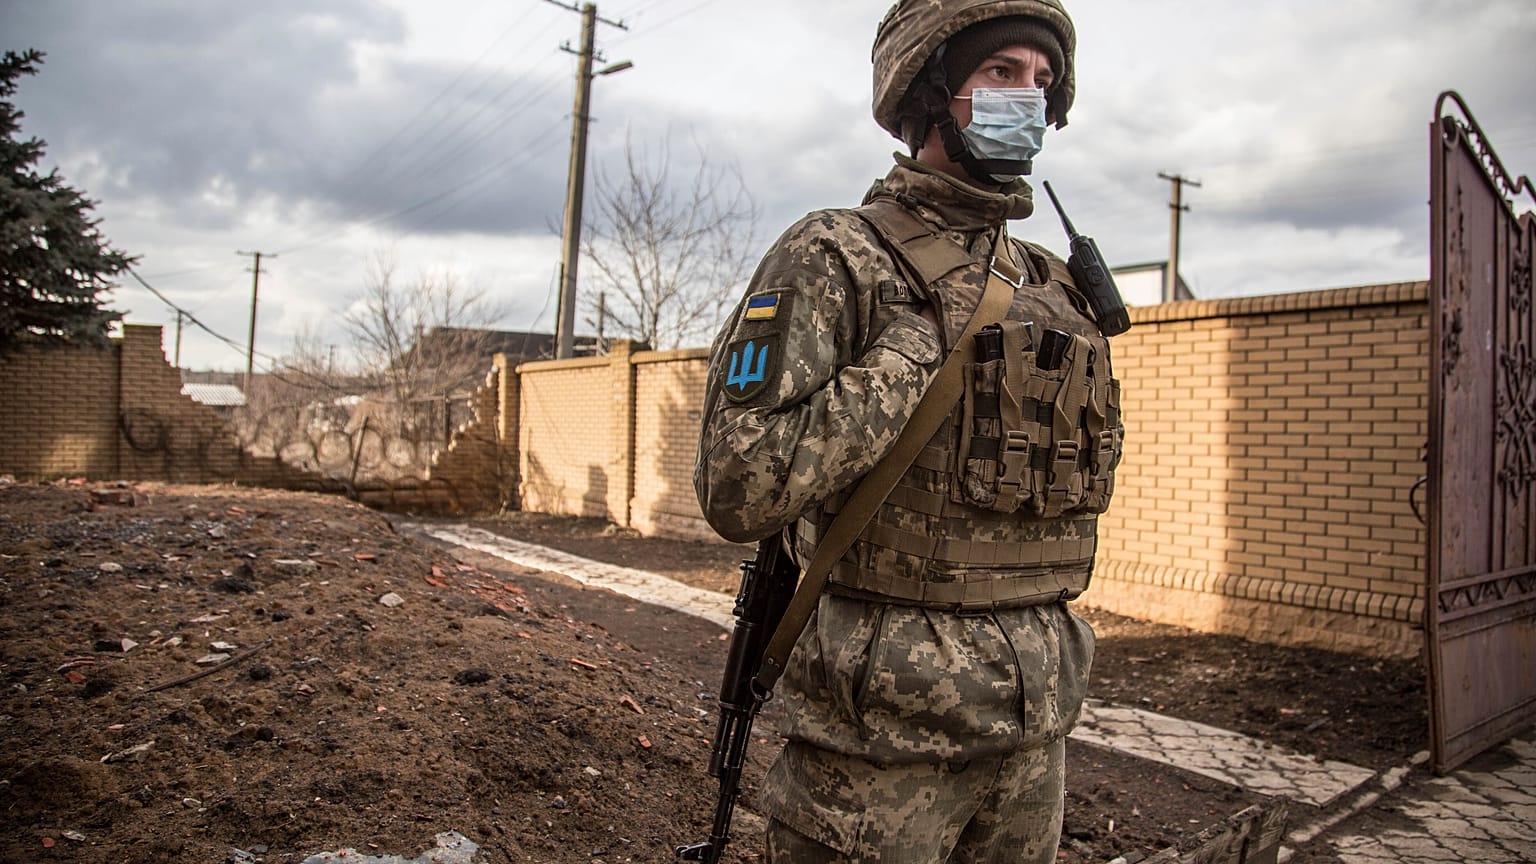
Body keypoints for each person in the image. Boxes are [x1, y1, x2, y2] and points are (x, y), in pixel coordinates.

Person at [693, 1, 1122, 861]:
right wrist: (909, 353)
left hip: (1034, 731)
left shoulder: (1046, 280)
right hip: (880, 743)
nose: (1027, 99)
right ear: (930, 92)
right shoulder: (839, 255)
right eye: (1000, 73)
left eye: (1042, 81)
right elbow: (739, 484)